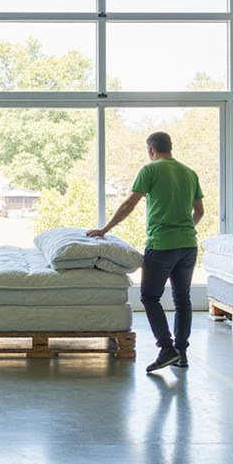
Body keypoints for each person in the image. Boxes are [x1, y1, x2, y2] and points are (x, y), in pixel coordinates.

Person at [87, 131, 204, 373]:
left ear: (151, 150)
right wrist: (183, 229)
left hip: (162, 244)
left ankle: (166, 349)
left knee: (150, 297)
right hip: (188, 245)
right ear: (170, 147)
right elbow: (199, 212)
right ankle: (181, 353)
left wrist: (104, 229)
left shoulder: (150, 170)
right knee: (183, 299)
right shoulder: (189, 173)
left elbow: (129, 204)